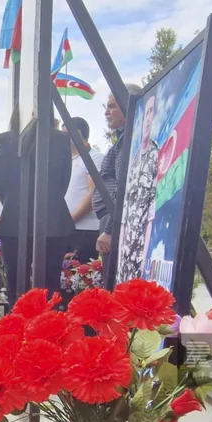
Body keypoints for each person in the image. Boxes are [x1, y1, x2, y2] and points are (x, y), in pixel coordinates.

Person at [0, 106, 73, 301]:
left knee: (15, 287)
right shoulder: (61, 140)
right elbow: (64, 180)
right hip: (53, 218)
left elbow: (0, 182)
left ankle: (17, 329)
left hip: (14, 219)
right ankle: (49, 329)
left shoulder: (6, 140)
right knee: (51, 288)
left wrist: (15, 201)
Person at [92, 84, 142, 275]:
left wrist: (110, 230)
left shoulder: (130, 142)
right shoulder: (122, 141)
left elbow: (124, 188)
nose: (106, 112)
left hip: (117, 225)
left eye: (112, 106)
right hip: (111, 221)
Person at [118, 94, 158, 282]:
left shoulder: (154, 155)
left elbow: (150, 214)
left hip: (139, 252)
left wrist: (145, 259)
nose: (148, 117)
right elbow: (125, 215)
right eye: (146, 112)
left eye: (152, 112)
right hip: (124, 253)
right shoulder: (133, 161)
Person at [62, 117, 105, 263]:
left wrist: (70, 220)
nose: (62, 139)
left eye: (64, 134)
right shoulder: (67, 161)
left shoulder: (94, 158)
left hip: (85, 231)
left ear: (77, 133)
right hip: (65, 230)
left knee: (78, 279)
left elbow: (93, 193)